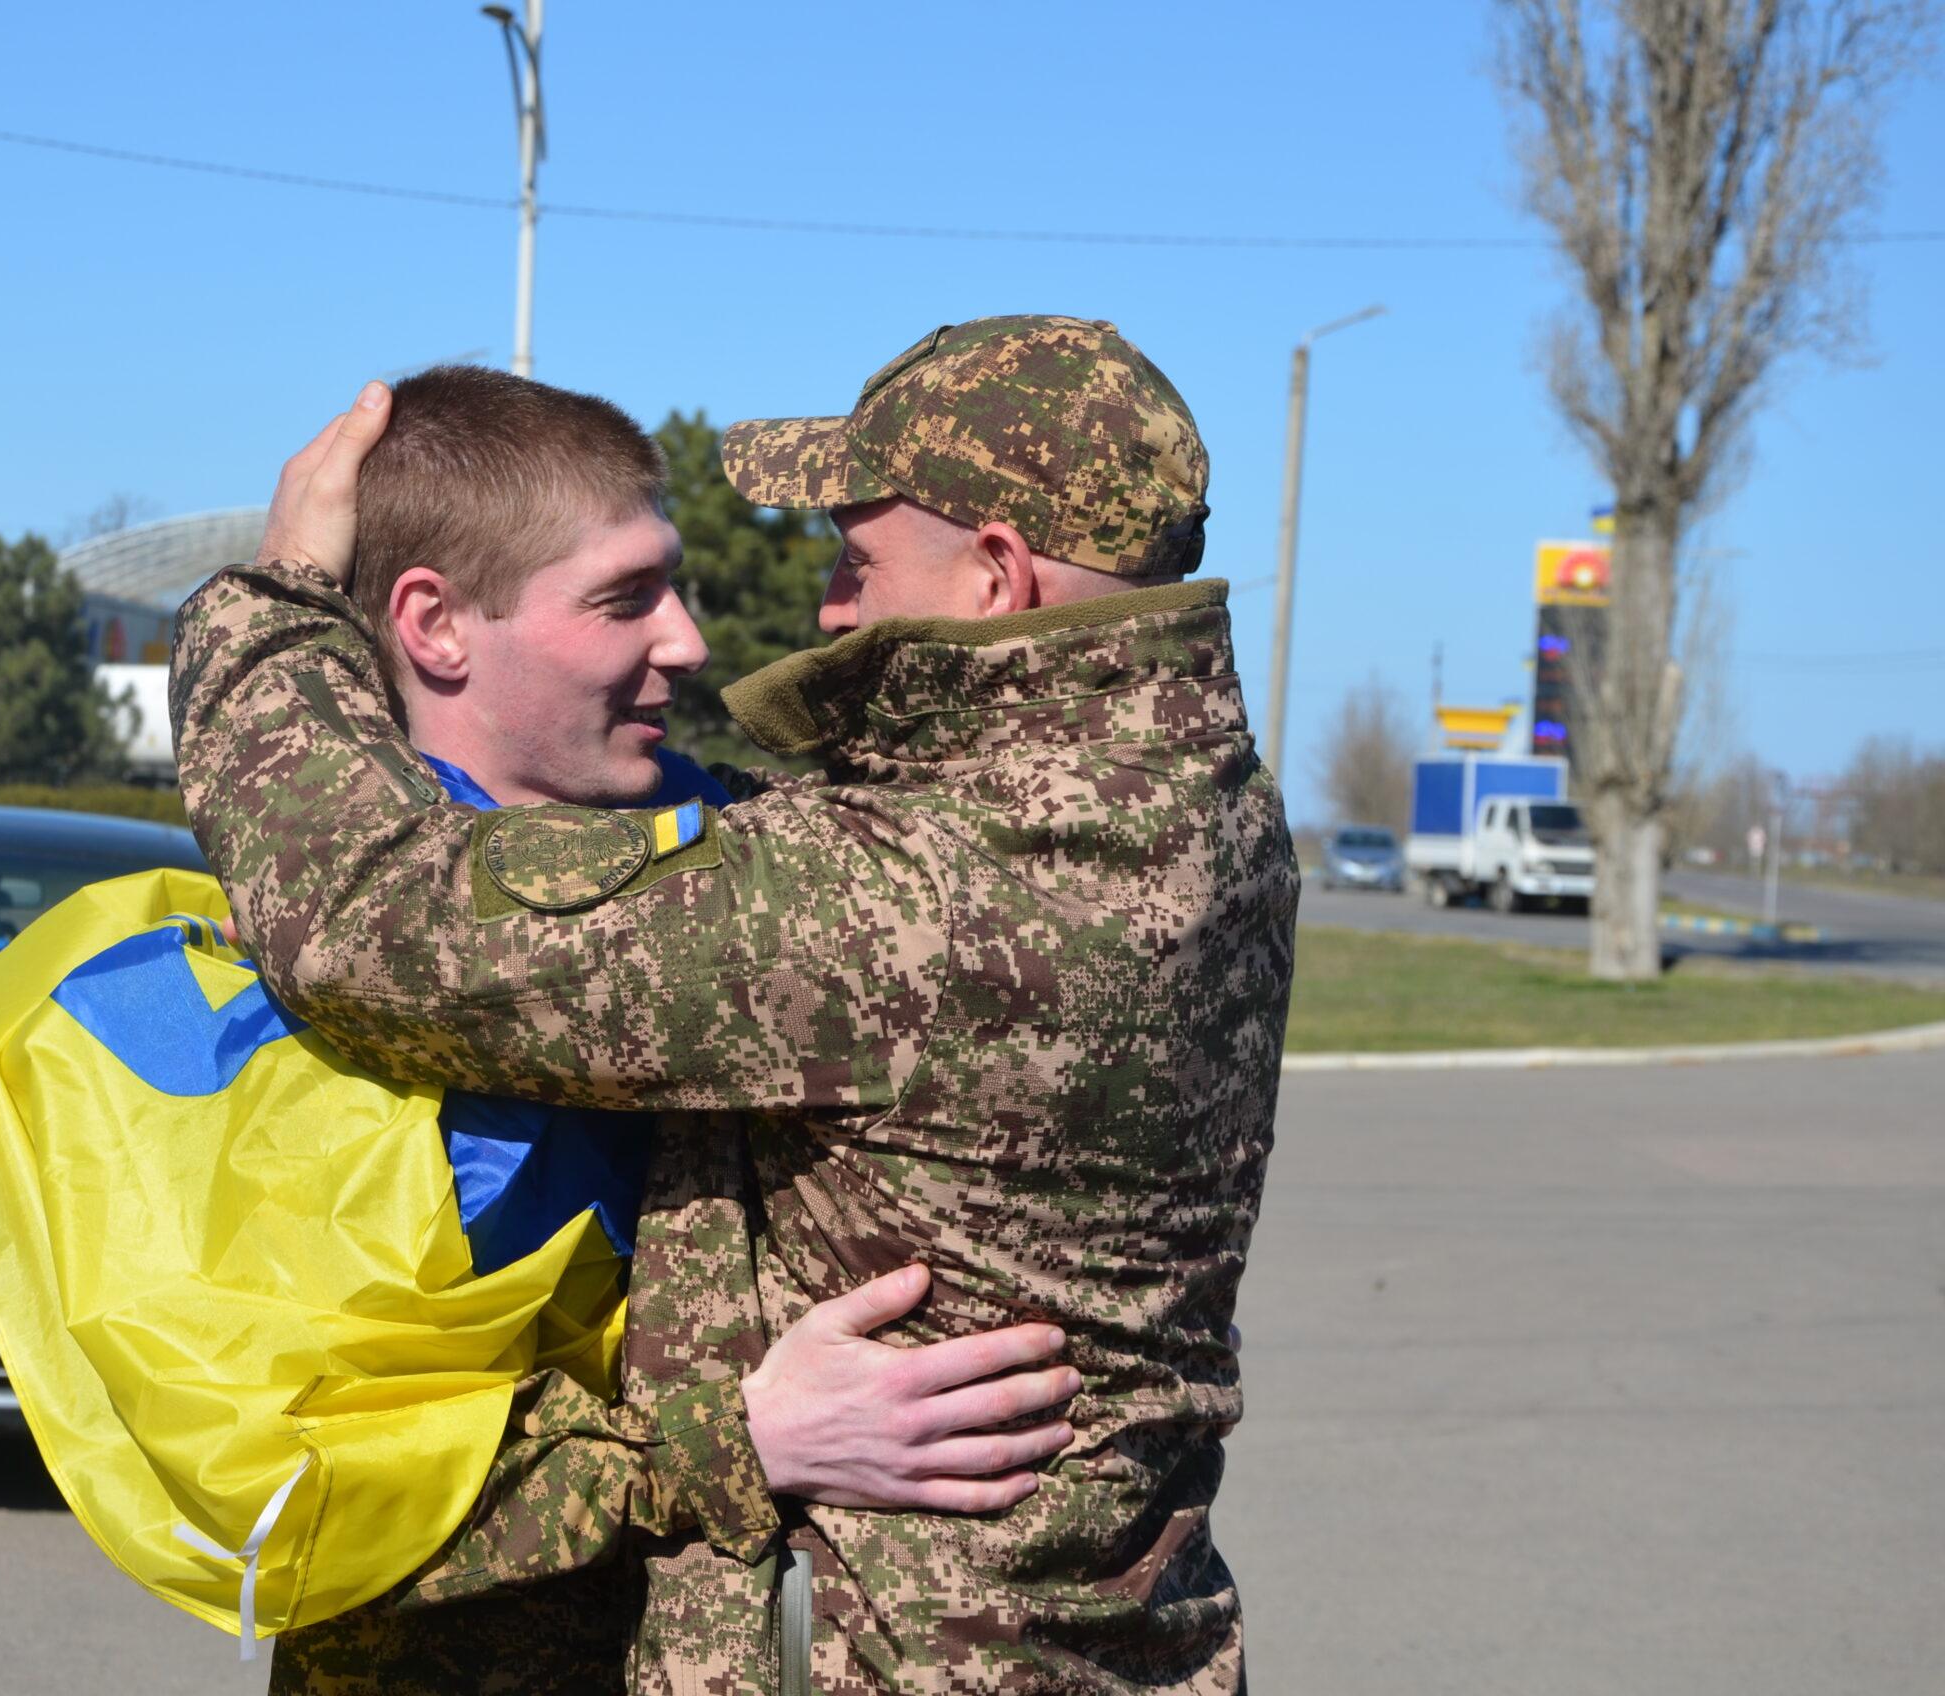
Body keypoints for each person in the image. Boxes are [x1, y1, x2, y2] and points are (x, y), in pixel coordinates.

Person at [175, 314, 1297, 1692]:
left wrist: (273, 600)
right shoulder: (1205, 815)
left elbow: (367, 924)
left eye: (855, 558)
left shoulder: (906, 899)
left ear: (997, 579)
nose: (824, 606)